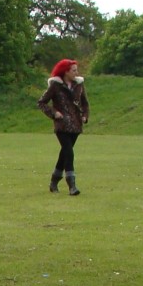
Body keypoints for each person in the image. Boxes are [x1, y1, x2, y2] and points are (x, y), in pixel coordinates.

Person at [37, 59, 90, 196]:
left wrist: (85, 115)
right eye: (73, 70)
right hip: (62, 125)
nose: (76, 73)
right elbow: (42, 102)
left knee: (64, 154)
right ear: (65, 72)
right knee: (69, 153)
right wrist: (54, 113)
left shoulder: (79, 85)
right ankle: (72, 185)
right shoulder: (55, 85)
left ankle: (54, 181)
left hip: (76, 125)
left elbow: (85, 103)